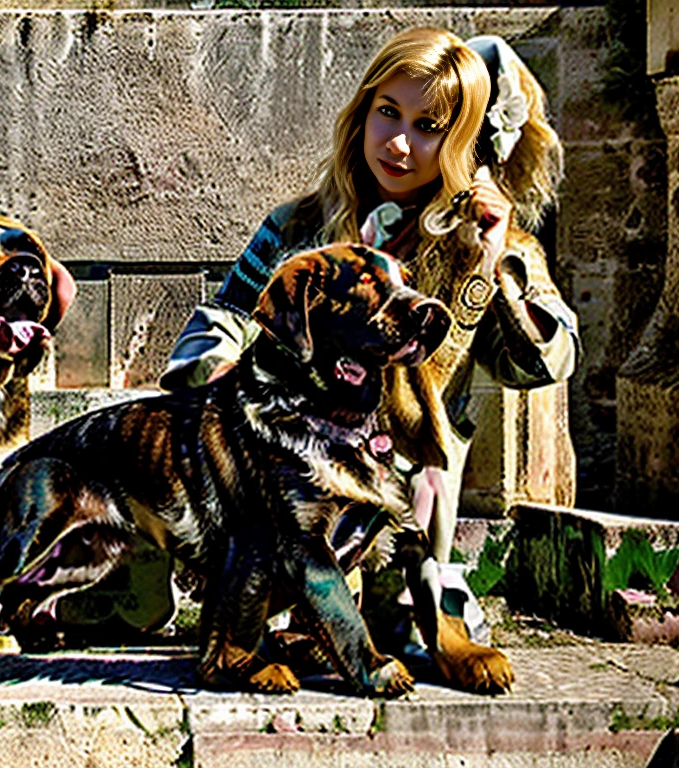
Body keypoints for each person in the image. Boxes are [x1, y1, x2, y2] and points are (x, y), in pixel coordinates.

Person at [158, 28, 579, 646]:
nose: (400, 143)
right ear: (362, 113)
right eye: (388, 113)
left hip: (404, 503)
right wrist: (217, 370)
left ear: (464, 146)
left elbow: (546, 361)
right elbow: (228, 316)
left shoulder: (499, 249)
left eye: (429, 127)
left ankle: (411, 590)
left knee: (412, 636)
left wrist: (491, 267)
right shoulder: (298, 226)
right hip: (287, 480)